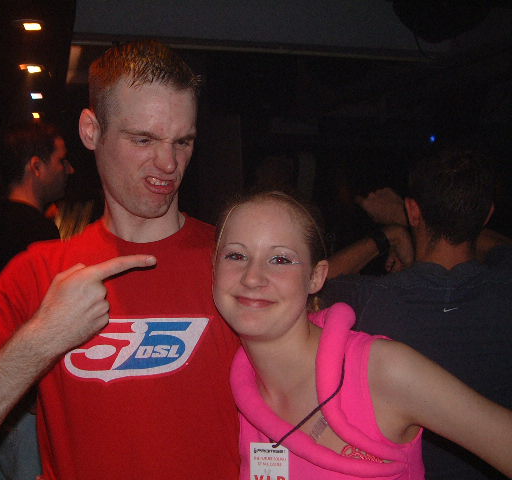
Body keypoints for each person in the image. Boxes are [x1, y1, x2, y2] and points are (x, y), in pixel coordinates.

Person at [0, 40, 240, 480]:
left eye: (183, 141)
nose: (169, 163)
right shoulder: (39, 272)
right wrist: (41, 340)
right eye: (143, 139)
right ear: (91, 130)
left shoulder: (236, 263)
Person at [212, 190, 512, 479]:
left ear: (316, 277)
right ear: (213, 269)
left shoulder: (380, 370)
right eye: (236, 255)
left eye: (280, 259)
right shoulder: (226, 389)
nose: (252, 277)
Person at [322, 149, 512, 479]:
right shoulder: (505, 288)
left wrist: (390, 234)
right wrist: (442, 216)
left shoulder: (373, 299)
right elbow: (500, 246)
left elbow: (313, 282)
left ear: (413, 210)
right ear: (487, 216)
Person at [0, 121, 74, 480]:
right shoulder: (37, 236)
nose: (69, 169)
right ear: (35, 167)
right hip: (25, 409)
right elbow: (51, 322)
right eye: (61, 160)